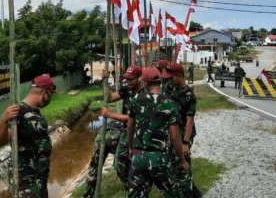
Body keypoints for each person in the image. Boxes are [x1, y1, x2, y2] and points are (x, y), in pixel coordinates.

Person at [127, 66, 189, 198]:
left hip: (139, 157)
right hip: (160, 159)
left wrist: (131, 148)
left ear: (144, 82)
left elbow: (130, 127)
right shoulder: (169, 104)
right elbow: (175, 137)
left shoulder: (136, 100)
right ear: (160, 81)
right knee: (173, 193)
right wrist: (182, 161)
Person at [83, 66, 144, 197]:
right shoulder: (127, 89)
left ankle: (133, 187)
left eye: (131, 79)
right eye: (126, 79)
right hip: (124, 130)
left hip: (137, 133)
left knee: (123, 165)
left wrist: (111, 115)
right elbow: (109, 98)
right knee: (105, 146)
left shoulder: (145, 94)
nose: (127, 82)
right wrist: (105, 81)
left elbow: (135, 119)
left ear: (140, 78)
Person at [0, 75, 56, 198]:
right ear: (45, 93)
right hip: (26, 183)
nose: (50, 99)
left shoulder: (34, 112)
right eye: (51, 95)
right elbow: (0, 141)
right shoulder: (19, 112)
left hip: (39, 180)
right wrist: (3, 121)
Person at [162, 63, 201, 198]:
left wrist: (185, 143)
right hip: (173, 133)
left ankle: (192, 193)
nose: (168, 80)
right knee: (173, 164)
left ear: (180, 76)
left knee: (183, 165)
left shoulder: (189, 95)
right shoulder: (171, 87)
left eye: (171, 77)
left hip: (184, 133)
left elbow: (190, 120)